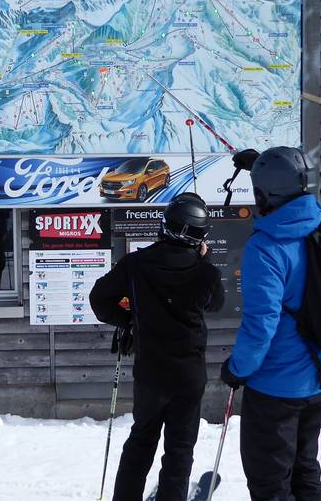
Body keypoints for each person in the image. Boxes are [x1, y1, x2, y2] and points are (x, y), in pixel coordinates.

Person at [90, 192, 225, 501]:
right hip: (189, 375)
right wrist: (203, 262)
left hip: (151, 373)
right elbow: (215, 303)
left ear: (167, 225)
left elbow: (100, 299)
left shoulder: (136, 264)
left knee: (140, 442)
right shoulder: (205, 272)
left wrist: (128, 319)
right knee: (180, 449)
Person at [220, 146, 321, 501]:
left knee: (271, 485)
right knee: (305, 472)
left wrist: (237, 369)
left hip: (276, 390)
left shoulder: (265, 247)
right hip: (320, 380)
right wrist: (262, 167)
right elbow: (295, 196)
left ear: (265, 193)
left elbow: (261, 326)